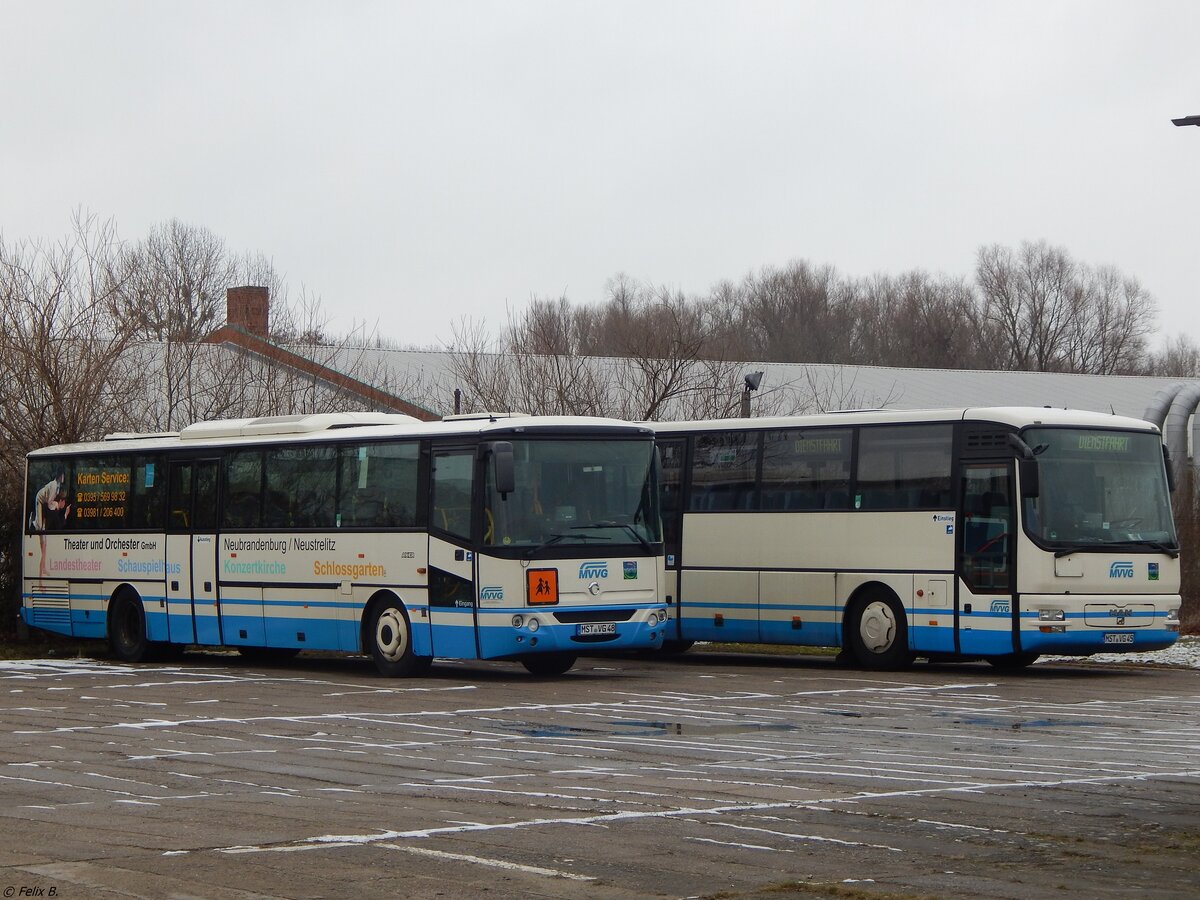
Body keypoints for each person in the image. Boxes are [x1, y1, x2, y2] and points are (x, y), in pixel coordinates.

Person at [33, 468, 71, 579]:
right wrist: (56, 507)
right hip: (40, 501)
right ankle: (34, 524)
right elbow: (50, 502)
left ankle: (43, 568)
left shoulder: (57, 486)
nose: (63, 478)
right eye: (62, 475)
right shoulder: (54, 486)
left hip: (47, 505)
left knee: (44, 542)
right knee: (40, 529)